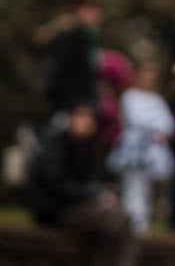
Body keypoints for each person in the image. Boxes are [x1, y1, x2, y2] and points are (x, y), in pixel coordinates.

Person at [26, 102, 137, 266]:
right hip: (57, 208)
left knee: (120, 218)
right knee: (115, 219)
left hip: (78, 207)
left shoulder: (89, 146)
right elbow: (57, 184)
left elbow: (95, 181)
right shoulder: (56, 144)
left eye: (86, 118)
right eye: (78, 116)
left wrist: (101, 196)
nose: (81, 122)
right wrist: (95, 194)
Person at [108, 59, 175, 232]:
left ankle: (141, 224)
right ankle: (130, 224)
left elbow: (168, 124)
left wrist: (160, 131)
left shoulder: (156, 99)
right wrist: (155, 129)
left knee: (147, 189)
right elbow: (136, 120)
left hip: (152, 152)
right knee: (133, 187)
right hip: (133, 150)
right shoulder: (129, 96)